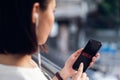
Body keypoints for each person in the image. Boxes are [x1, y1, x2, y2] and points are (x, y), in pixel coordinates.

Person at [0, 0, 100, 80]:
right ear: (36, 12)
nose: (53, 18)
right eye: (53, 11)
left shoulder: (18, 64)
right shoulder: (22, 73)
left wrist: (64, 73)